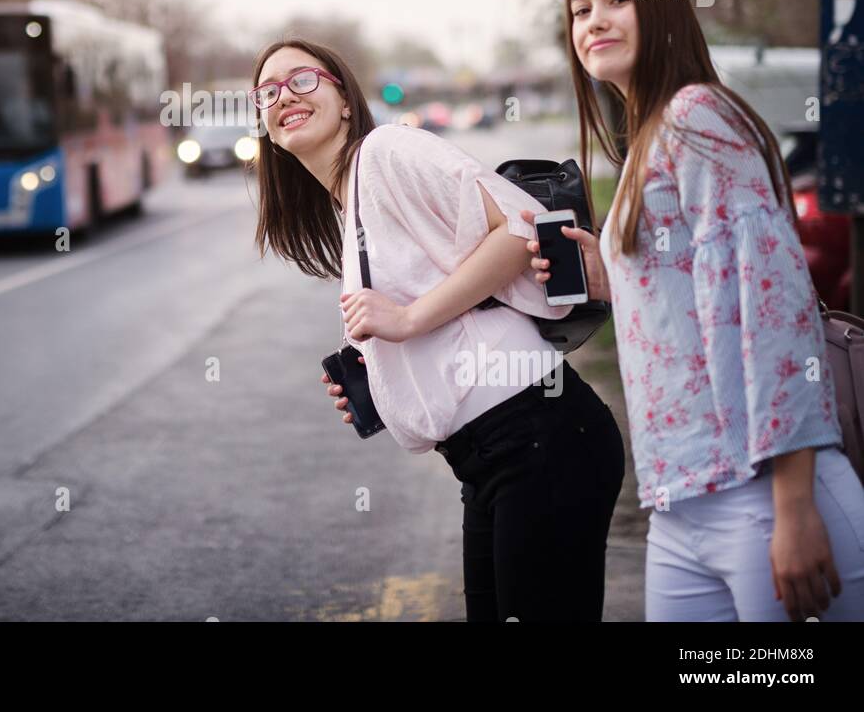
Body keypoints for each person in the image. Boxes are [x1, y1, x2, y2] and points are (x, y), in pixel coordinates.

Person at [527, 0, 864, 621]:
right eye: (580, 8)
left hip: (759, 492)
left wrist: (794, 509)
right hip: (678, 504)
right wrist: (610, 276)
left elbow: (776, 313)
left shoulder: (697, 118)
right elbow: (688, 297)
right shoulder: (651, 134)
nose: (595, 19)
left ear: (663, 7)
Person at [250, 37, 625, 622]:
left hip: (539, 439)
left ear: (344, 97)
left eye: (301, 80)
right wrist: (381, 378)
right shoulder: (350, 202)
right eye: (267, 92)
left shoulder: (385, 151)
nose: (283, 97)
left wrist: (406, 320)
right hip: (487, 460)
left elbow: (521, 228)